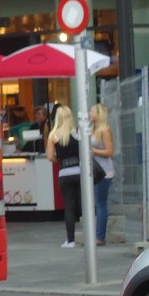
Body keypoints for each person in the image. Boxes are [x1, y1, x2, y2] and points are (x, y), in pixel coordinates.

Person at [46, 105, 83, 248]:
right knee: (84, 206)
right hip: (80, 172)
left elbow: (50, 157)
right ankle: (91, 236)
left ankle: (70, 240)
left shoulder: (53, 135)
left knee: (69, 207)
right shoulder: (78, 133)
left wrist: (61, 161)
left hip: (65, 173)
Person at [90, 102, 115, 244]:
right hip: (94, 170)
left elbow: (110, 151)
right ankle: (98, 234)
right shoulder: (92, 129)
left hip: (104, 171)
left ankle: (100, 236)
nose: (90, 114)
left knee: (100, 202)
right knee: (96, 202)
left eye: (92, 112)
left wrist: (93, 151)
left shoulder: (104, 130)